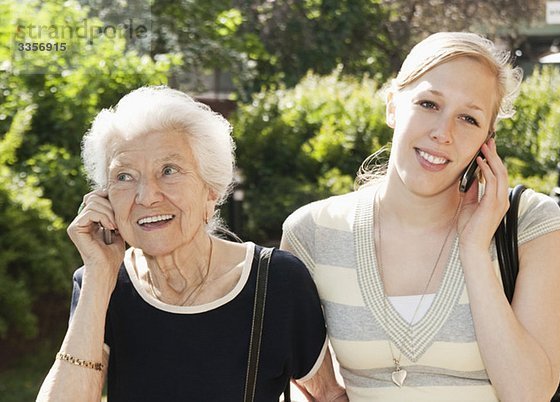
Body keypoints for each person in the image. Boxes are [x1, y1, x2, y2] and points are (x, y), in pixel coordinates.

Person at [281, 32, 560, 401]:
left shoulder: (529, 223)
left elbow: (529, 394)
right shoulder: (313, 233)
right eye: (429, 104)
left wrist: (475, 250)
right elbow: (304, 375)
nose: (442, 133)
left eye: (468, 118)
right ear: (392, 106)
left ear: (487, 142)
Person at [37, 86, 347, 401]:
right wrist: (99, 274)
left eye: (168, 171)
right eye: (124, 177)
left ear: (210, 192)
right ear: (105, 199)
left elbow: (328, 395)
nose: (146, 197)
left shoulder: (276, 281)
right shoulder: (102, 285)